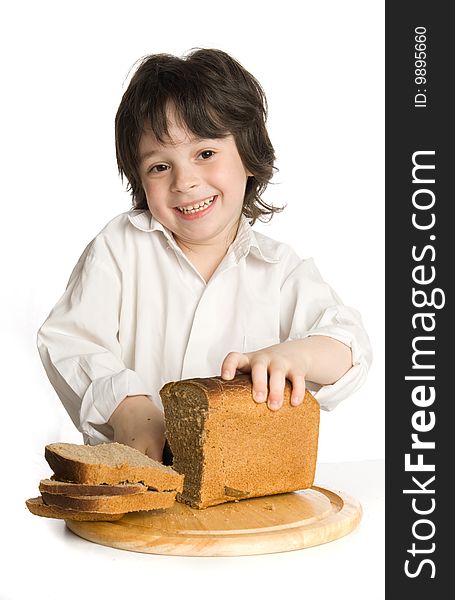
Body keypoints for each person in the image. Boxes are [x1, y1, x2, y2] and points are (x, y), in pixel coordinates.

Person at [37, 48, 372, 462]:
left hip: (247, 487)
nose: (185, 181)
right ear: (139, 179)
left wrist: (296, 356)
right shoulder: (119, 248)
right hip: (140, 482)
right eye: (160, 167)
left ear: (249, 156)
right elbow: (68, 341)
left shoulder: (280, 271)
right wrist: (130, 408)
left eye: (205, 154)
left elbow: (349, 344)